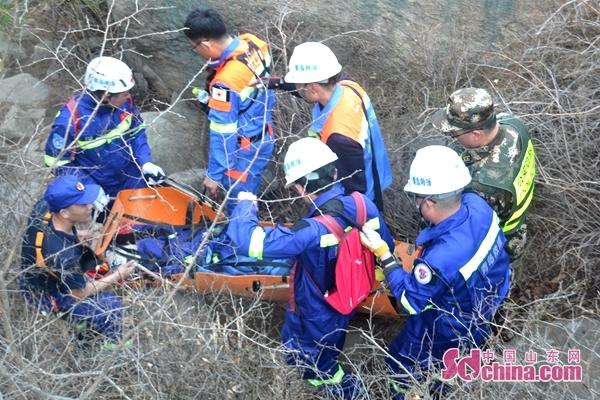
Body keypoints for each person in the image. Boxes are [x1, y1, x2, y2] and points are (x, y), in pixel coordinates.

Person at [227, 138, 394, 399]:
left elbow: (251, 243)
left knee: (315, 362)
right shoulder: (364, 205)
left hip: (315, 310)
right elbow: (386, 247)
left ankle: (346, 392)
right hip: (348, 296)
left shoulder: (310, 230)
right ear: (336, 172)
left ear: (300, 187)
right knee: (325, 347)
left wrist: (245, 206)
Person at [359, 145, 511, 399]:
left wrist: (384, 256)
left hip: (447, 326)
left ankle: (404, 393)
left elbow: (410, 301)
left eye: (417, 197)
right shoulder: (478, 206)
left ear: (429, 202)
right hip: (486, 307)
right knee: (450, 367)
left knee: (401, 364)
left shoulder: (440, 259)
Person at [267, 41, 392, 211]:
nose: (297, 88)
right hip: (375, 169)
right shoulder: (348, 87)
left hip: (360, 198)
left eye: (298, 84)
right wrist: (275, 82)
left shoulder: (339, 136)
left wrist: (341, 214)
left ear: (313, 88)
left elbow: (354, 186)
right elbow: (309, 88)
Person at [20, 175, 135, 345]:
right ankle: (114, 354)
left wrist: (76, 235)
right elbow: (78, 294)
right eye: (82, 204)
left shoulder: (45, 206)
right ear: (65, 213)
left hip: (36, 275)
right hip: (45, 294)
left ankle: (84, 324)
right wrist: (117, 275)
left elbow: (49, 231)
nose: (90, 206)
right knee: (114, 309)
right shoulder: (63, 255)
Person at [184, 5, 275, 213]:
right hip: (265, 134)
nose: (198, 52)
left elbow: (222, 135)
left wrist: (214, 175)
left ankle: (240, 240)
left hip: (243, 151)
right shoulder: (254, 43)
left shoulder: (224, 84)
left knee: (239, 205)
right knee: (250, 194)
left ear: (205, 44)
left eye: (195, 47)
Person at [431, 87, 536, 259]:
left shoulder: (483, 186)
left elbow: (468, 230)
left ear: (476, 134)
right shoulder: (513, 124)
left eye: (454, 133)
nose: (453, 137)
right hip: (518, 221)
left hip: (500, 244)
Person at [44, 56, 165, 198]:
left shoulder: (124, 104)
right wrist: (89, 189)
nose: (128, 97)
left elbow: (136, 132)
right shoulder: (70, 120)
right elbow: (57, 163)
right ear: (107, 96)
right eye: (124, 94)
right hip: (97, 185)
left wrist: (145, 162)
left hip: (130, 176)